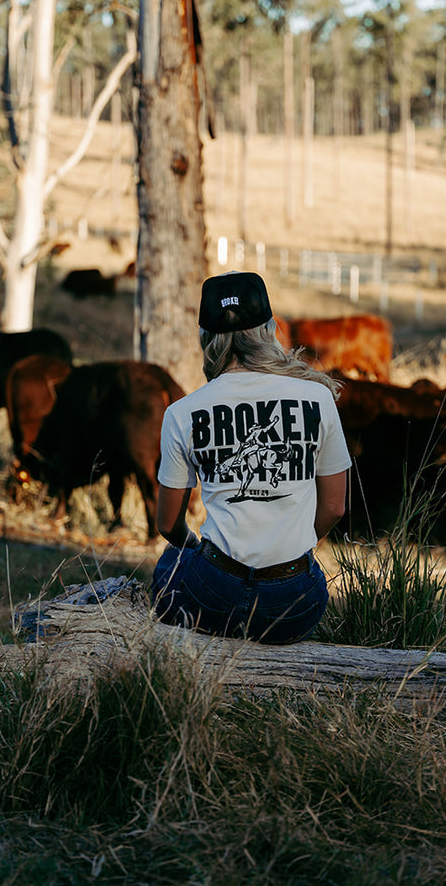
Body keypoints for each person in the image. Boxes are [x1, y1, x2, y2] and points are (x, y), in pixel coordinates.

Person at [152, 271, 351, 644]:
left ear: (205, 338)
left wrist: (194, 546)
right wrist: (297, 548)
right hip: (295, 603)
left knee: (169, 560)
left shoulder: (182, 412)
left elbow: (167, 524)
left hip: (212, 595)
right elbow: (335, 507)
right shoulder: (318, 398)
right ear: (270, 329)